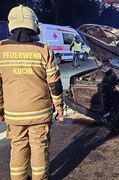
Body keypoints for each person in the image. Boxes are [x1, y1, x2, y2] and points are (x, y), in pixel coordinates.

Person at [0, 5, 64, 180]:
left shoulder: (1, 49)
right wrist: (59, 107)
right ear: (33, 24)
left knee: (18, 145)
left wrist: (0, 108)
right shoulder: (44, 50)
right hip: (40, 112)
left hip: (14, 112)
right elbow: (54, 84)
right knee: (39, 145)